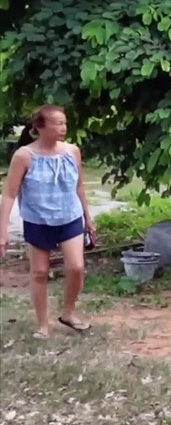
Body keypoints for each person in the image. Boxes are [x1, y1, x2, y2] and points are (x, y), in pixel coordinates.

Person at [0, 105, 94, 339]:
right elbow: (9, 194)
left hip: (70, 218)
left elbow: (79, 187)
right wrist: (3, 231)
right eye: (58, 123)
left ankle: (69, 313)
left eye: (64, 123)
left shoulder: (72, 151)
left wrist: (88, 217)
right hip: (38, 221)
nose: (63, 128)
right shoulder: (24, 156)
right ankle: (43, 325)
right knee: (40, 272)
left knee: (76, 267)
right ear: (40, 127)